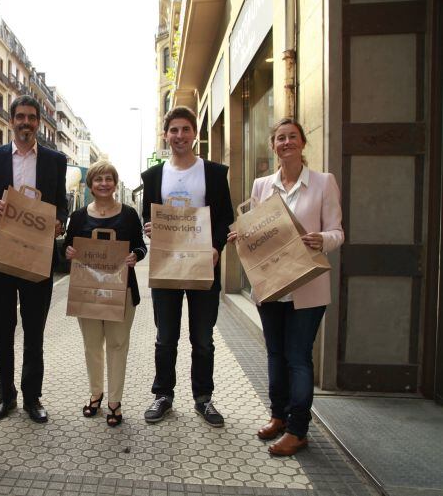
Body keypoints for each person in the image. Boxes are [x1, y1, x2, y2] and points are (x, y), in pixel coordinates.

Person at [228, 118, 344, 456]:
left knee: (298, 357)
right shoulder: (263, 185)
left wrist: (321, 239)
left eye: (292, 137)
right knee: (275, 355)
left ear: (303, 143)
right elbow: (257, 232)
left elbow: (338, 232)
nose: (286, 142)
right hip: (272, 286)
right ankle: (278, 416)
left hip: (308, 288)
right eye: (280, 138)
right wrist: (241, 234)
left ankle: (298, 430)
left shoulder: (323, 183)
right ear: (273, 145)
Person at [0, 94, 68, 423]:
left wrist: (60, 222)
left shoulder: (55, 161)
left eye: (31, 117)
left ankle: (32, 398)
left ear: (39, 123)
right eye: (20, 117)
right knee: (2, 331)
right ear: (10, 121)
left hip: (37, 258)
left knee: (34, 333)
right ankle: (5, 396)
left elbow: (62, 204)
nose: (25, 122)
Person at [141, 106, 234, 427]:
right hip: (167, 266)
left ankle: (203, 399)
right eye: (173, 130)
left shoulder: (214, 173)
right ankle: (163, 395)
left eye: (185, 130)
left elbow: (225, 219)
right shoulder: (154, 176)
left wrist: (216, 247)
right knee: (165, 337)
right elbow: (147, 217)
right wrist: (150, 226)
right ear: (165, 136)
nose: (179, 136)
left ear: (195, 134)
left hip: (201, 266)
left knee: (202, 338)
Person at [63, 161, 147, 427]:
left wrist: (137, 256)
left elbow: (140, 246)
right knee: (92, 346)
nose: (104, 184)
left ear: (114, 183)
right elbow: (67, 246)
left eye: (109, 179)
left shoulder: (129, 214)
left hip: (121, 291)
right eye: (98, 179)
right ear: (91, 185)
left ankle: (114, 401)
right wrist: (68, 253)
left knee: (118, 345)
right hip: (87, 291)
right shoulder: (77, 217)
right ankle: (95, 394)